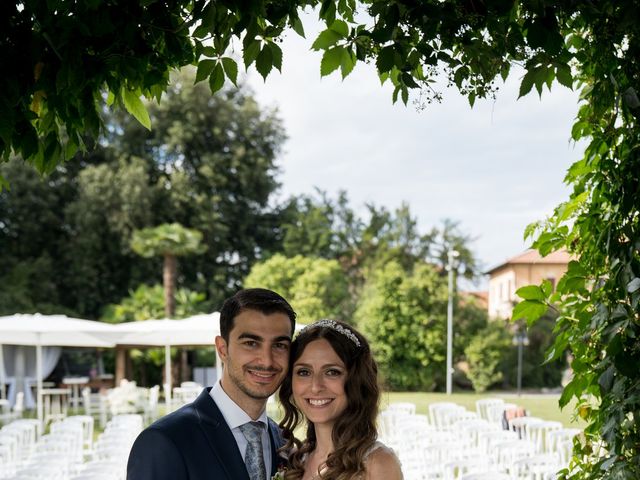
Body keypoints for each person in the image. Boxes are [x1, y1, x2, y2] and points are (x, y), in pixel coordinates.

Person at [127, 288, 297, 480]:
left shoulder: (283, 442)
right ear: (222, 349)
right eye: (251, 343)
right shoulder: (165, 441)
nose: (266, 361)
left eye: (279, 345)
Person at [278, 319, 403, 480]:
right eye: (304, 372)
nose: (316, 387)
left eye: (332, 372)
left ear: (356, 380)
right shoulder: (296, 460)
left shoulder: (377, 464)